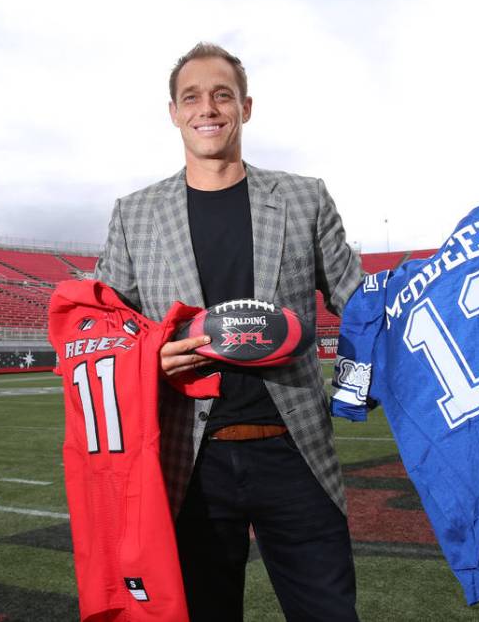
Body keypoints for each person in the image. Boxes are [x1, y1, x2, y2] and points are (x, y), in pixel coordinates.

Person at [93, 42, 362, 621]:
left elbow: (358, 299)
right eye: (191, 96)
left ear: (245, 106)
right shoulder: (134, 213)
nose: (207, 108)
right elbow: (104, 333)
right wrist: (149, 361)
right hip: (189, 462)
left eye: (222, 95)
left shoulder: (302, 197)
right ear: (173, 112)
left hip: (296, 454)